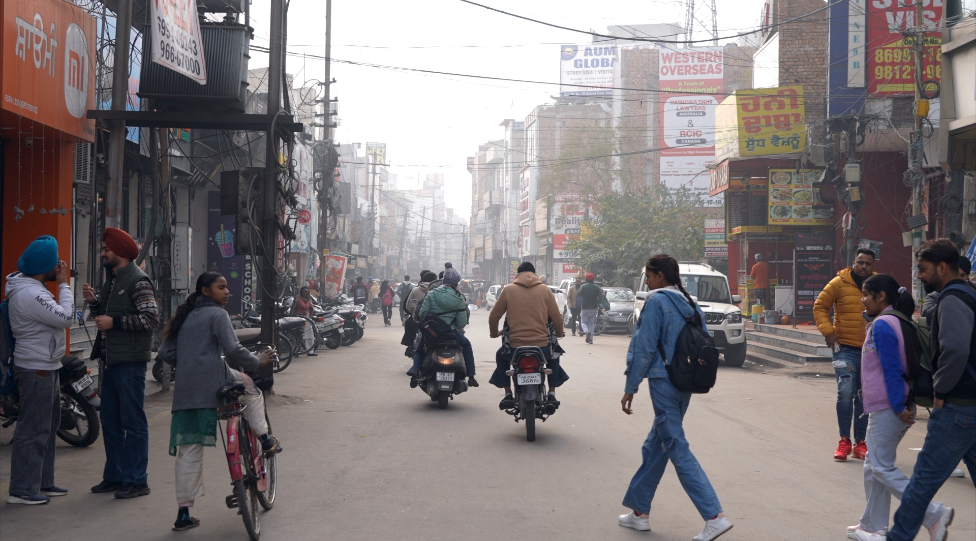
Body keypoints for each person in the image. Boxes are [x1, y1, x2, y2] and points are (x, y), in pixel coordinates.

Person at [854, 239, 976, 541]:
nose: (919, 276)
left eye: (922, 269)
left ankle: (926, 519)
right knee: (877, 466)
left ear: (942, 267)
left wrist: (939, 390)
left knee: (917, 483)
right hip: (965, 404)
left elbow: (954, 351)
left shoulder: (951, 300)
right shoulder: (967, 296)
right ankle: (872, 526)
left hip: (954, 404)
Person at [156, 272, 281, 532]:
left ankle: (183, 514)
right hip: (216, 382)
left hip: (187, 391)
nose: (227, 292)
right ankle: (265, 438)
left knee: (188, 451)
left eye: (227, 288)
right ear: (205, 291)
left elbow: (166, 352)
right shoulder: (218, 315)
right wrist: (258, 361)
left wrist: (191, 363)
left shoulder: (182, 317)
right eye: (220, 287)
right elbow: (233, 349)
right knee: (250, 388)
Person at [619, 254, 731, 540]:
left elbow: (643, 347)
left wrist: (631, 386)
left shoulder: (656, 302)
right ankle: (639, 511)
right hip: (686, 382)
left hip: (663, 381)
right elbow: (704, 341)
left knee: (675, 446)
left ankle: (714, 516)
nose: (647, 278)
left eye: (649, 273)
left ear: (659, 276)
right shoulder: (689, 302)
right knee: (655, 444)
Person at [847, 274, 952, 540]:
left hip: (889, 406)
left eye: (866, 295)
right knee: (874, 466)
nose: (862, 300)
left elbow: (893, 370)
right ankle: (871, 525)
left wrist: (897, 405)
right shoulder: (891, 321)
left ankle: (931, 513)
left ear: (881, 297)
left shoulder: (884, 325)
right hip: (889, 405)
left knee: (881, 467)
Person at [84, 228, 160, 499]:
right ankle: (115, 476)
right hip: (111, 361)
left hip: (129, 363)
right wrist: (95, 304)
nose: (102, 253)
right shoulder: (112, 281)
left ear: (120, 253)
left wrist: (114, 322)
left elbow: (151, 319)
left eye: (106, 249)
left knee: (133, 421)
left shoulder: (138, 281)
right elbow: (105, 316)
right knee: (111, 421)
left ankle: (138, 480)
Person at [4, 236, 74, 505]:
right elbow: (66, 318)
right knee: (33, 429)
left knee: (47, 426)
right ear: (45, 265)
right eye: (55, 263)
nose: (59, 268)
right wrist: (65, 284)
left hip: (46, 366)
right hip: (36, 369)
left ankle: (42, 482)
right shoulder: (30, 293)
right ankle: (22, 490)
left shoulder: (33, 289)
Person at [814, 248, 876, 462]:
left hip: (871, 349)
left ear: (873, 265)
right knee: (846, 392)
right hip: (845, 348)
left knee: (863, 396)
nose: (863, 266)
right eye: (860, 262)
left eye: (867, 263)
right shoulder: (838, 283)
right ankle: (844, 441)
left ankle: (860, 443)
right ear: (853, 263)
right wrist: (828, 332)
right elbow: (820, 306)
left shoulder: (879, 284)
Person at [920, 255, 974, 481]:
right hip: (951, 379)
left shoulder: (967, 295)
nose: (961, 280)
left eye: (965, 277)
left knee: (923, 481)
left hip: (964, 386)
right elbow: (928, 314)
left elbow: (958, 350)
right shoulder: (941, 297)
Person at [488, 261, 567, 410]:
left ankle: (508, 393)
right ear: (535, 273)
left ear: (518, 274)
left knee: (500, 356)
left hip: (514, 347)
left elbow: (493, 317)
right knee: (554, 356)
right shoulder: (545, 290)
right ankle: (551, 392)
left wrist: (494, 333)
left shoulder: (508, 290)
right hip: (542, 346)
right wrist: (560, 332)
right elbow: (557, 318)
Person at [412, 263, 477, 387]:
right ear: (456, 283)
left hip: (431, 333)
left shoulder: (432, 294)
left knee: (419, 350)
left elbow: (423, 313)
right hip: (451, 333)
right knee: (467, 345)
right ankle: (472, 376)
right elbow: (462, 323)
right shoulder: (459, 298)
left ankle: (415, 370)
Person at [403, 270, 437, 364]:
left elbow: (408, 306)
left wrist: (414, 315)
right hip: (434, 323)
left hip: (417, 321)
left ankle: (410, 346)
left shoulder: (415, 289)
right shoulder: (437, 291)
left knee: (409, 324)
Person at [578, 273, 605, 344]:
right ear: (593, 278)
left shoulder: (583, 286)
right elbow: (601, 297)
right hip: (594, 308)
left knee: (583, 322)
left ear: (586, 279)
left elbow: (578, 294)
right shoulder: (597, 287)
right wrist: (597, 303)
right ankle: (591, 339)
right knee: (591, 323)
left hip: (585, 307)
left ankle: (586, 332)